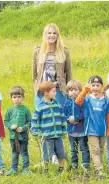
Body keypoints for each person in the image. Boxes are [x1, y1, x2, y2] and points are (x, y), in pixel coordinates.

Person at [32, 23, 72, 164]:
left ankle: (56, 155)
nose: (51, 36)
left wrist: (67, 92)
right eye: (49, 33)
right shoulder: (38, 51)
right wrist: (37, 88)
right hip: (41, 92)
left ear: (57, 35)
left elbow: (69, 75)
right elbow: (34, 75)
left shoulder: (64, 52)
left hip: (58, 92)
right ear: (45, 35)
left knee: (56, 121)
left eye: (54, 33)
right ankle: (46, 157)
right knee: (44, 122)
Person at [76, 75, 109, 179]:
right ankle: (99, 170)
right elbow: (78, 102)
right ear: (90, 86)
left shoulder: (105, 100)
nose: (95, 88)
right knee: (95, 149)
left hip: (102, 129)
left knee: (101, 149)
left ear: (101, 86)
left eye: (97, 85)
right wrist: (84, 90)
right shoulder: (87, 98)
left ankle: (98, 166)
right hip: (91, 129)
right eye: (93, 85)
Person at [31, 81, 67, 175]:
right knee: (47, 154)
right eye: (54, 91)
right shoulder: (40, 107)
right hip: (46, 136)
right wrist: (35, 132)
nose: (55, 93)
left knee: (61, 153)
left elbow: (62, 118)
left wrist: (64, 131)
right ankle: (46, 170)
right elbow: (35, 120)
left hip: (58, 135)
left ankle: (61, 168)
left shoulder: (57, 105)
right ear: (46, 93)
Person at [4, 86, 32, 176]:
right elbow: (6, 121)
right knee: (15, 153)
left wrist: (23, 128)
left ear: (23, 97)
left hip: (23, 136)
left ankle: (25, 169)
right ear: (11, 98)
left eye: (19, 97)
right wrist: (10, 126)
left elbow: (30, 122)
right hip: (13, 136)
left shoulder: (26, 109)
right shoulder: (10, 110)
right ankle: (14, 168)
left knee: (24, 152)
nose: (17, 99)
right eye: (14, 97)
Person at [64, 80, 90, 171]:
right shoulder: (67, 103)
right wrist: (68, 119)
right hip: (71, 131)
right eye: (71, 90)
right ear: (67, 92)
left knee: (84, 148)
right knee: (73, 149)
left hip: (81, 131)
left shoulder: (83, 102)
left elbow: (85, 114)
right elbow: (63, 115)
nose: (73, 92)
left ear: (80, 91)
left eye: (76, 89)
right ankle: (74, 165)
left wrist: (76, 118)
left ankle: (85, 165)